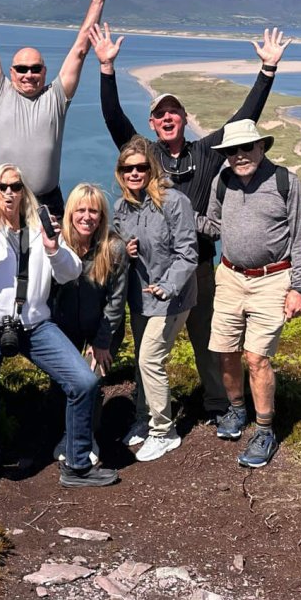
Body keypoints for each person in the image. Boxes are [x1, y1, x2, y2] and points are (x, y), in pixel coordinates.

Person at [94, 24, 289, 427]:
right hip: (149, 271)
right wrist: (107, 69)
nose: (167, 119)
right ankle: (145, 411)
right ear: (152, 124)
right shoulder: (144, 155)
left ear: (184, 118)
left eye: (173, 113)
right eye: (160, 115)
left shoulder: (206, 152)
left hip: (198, 266)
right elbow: (114, 118)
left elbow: (244, 120)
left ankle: (219, 405)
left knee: (211, 341)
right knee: (149, 346)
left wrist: (267, 71)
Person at [0, 164, 118, 493]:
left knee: (83, 382)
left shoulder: (42, 226)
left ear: (24, 190)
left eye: (15, 186)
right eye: (2, 187)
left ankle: (77, 463)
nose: (9, 193)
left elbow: (69, 273)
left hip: (34, 325)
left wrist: (53, 246)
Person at [199, 118, 301, 469]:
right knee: (226, 352)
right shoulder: (224, 181)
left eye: (246, 147)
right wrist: (177, 214)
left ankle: (264, 429)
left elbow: (299, 237)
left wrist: (299, 287)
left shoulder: (284, 182)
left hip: (272, 279)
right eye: (231, 150)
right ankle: (236, 410)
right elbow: (214, 226)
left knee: (256, 357)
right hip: (230, 276)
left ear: (261, 146)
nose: (239, 155)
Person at [0, 0, 114, 215]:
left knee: (57, 257)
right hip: (3, 200)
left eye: (35, 69)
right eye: (21, 69)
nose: (28, 74)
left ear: (45, 72)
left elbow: (80, 50)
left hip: (48, 205)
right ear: (11, 72)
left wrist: (98, 0)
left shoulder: (56, 97)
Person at [111, 138, 199, 462]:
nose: (134, 173)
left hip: (172, 298)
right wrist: (123, 249)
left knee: (150, 359)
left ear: (152, 168)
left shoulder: (174, 201)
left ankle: (164, 431)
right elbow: (114, 249)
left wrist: (168, 286)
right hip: (139, 298)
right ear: (120, 173)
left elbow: (188, 253)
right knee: (140, 360)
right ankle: (142, 420)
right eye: (127, 168)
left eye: (141, 167)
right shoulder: (121, 207)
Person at [50, 181, 129, 468]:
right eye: (80, 210)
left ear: (102, 215)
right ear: (70, 213)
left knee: (92, 380)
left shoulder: (114, 248)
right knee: (65, 382)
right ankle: (66, 433)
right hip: (65, 327)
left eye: (93, 211)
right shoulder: (58, 247)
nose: (87, 217)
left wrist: (102, 342)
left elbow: (116, 301)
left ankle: (87, 438)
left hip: (102, 329)